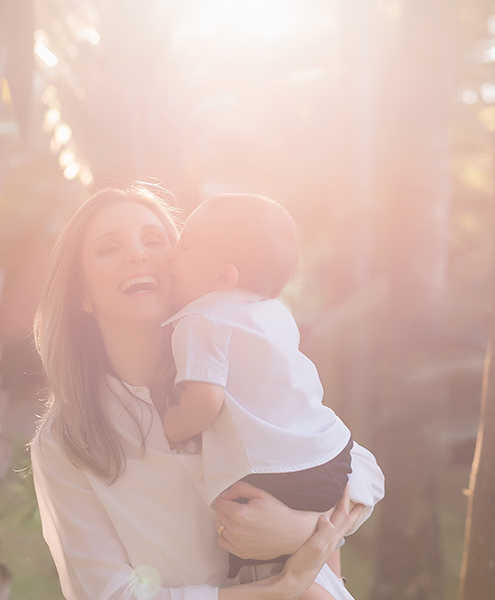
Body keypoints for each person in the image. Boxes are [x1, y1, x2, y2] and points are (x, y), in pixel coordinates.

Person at [30, 182, 384, 600]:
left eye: (155, 240)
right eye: (109, 247)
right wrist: (279, 589)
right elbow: (111, 595)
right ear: (82, 294)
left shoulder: (238, 365)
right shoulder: (66, 439)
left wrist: (300, 528)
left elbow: (357, 466)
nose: (138, 254)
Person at [161, 194, 382, 598]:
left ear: (223, 278)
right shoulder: (271, 312)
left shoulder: (199, 319)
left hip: (278, 473)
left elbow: (205, 403)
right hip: (332, 455)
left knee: (257, 567)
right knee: (312, 565)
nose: (170, 253)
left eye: (185, 246)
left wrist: (169, 422)